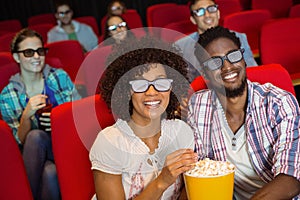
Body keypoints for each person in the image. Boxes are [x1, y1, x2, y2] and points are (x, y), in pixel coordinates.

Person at [188, 26, 300, 199]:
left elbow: (291, 177)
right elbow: (198, 171)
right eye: (215, 62)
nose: (227, 67)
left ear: (243, 59)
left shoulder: (279, 103)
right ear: (204, 72)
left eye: (233, 56)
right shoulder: (198, 106)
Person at [89, 36, 197, 199]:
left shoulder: (182, 132)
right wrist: (162, 181)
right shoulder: (109, 142)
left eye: (161, 83)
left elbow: (186, 193)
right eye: (140, 84)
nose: (152, 92)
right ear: (126, 90)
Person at [0, 28, 81, 200]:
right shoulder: (9, 94)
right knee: (49, 172)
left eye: (40, 51)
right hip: (34, 157)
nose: (36, 57)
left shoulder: (59, 77)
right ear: (16, 57)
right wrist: (27, 114)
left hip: (66, 143)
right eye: (29, 52)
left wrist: (61, 123)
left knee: (36, 136)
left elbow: (81, 114)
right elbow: (19, 142)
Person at [175, 0, 257, 82]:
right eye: (200, 11)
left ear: (218, 13)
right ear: (193, 19)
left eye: (211, 9)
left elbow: (252, 71)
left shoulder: (239, 37)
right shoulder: (181, 46)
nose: (207, 15)